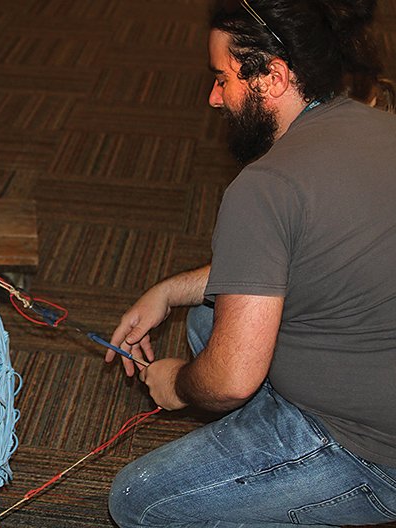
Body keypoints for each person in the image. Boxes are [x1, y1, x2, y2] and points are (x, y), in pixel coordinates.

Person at [105, 0, 396, 526]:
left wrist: (174, 383)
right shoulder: (375, 127)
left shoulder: (264, 188)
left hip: (373, 453)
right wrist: (169, 290)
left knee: (140, 500)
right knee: (203, 317)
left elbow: (230, 380)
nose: (213, 99)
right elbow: (305, 257)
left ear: (274, 77)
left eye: (222, 79)